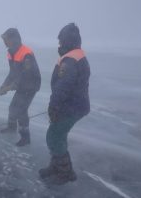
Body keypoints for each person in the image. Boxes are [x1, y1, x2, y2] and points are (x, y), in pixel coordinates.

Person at [39, 23, 90, 185]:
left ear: (67, 41)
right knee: (59, 135)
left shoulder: (70, 60)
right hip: (76, 105)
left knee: (53, 136)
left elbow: (63, 86)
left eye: (61, 41)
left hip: (70, 106)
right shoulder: (77, 55)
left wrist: (54, 106)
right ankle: (57, 167)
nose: (59, 44)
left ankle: (65, 172)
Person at [0, 28, 41, 147]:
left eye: (6, 39)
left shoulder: (26, 53)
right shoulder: (11, 52)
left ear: (14, 40)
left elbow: (26, 73)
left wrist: (15, 84)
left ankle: (25, 137)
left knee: (21, 111)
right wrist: (4, 85)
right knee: (13, 107)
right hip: (21, 84)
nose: (5, 42)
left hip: (31, 85)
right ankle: (11, 128)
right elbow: (12, 72)